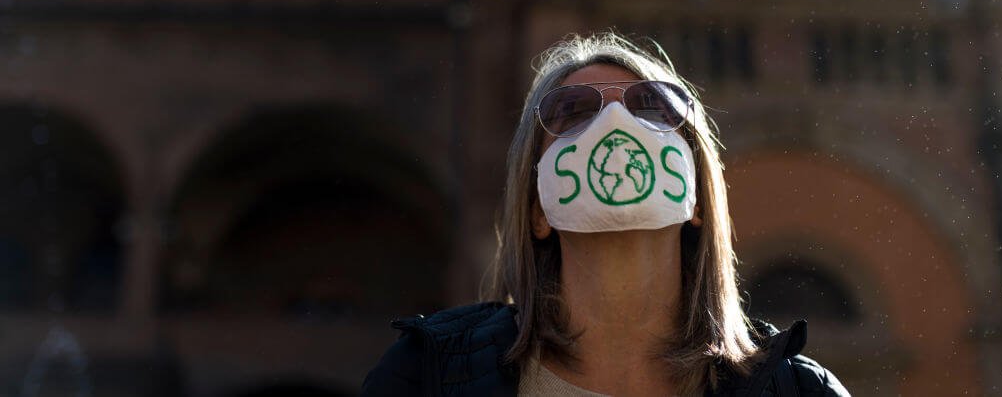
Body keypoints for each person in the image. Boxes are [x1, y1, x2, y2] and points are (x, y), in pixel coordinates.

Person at [362, 33, 850, 396]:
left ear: (697, 196)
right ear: (537, 209)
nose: (616, 125)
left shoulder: (799, 392)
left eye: (653, 107)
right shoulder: (426, 375)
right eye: (572, 112)